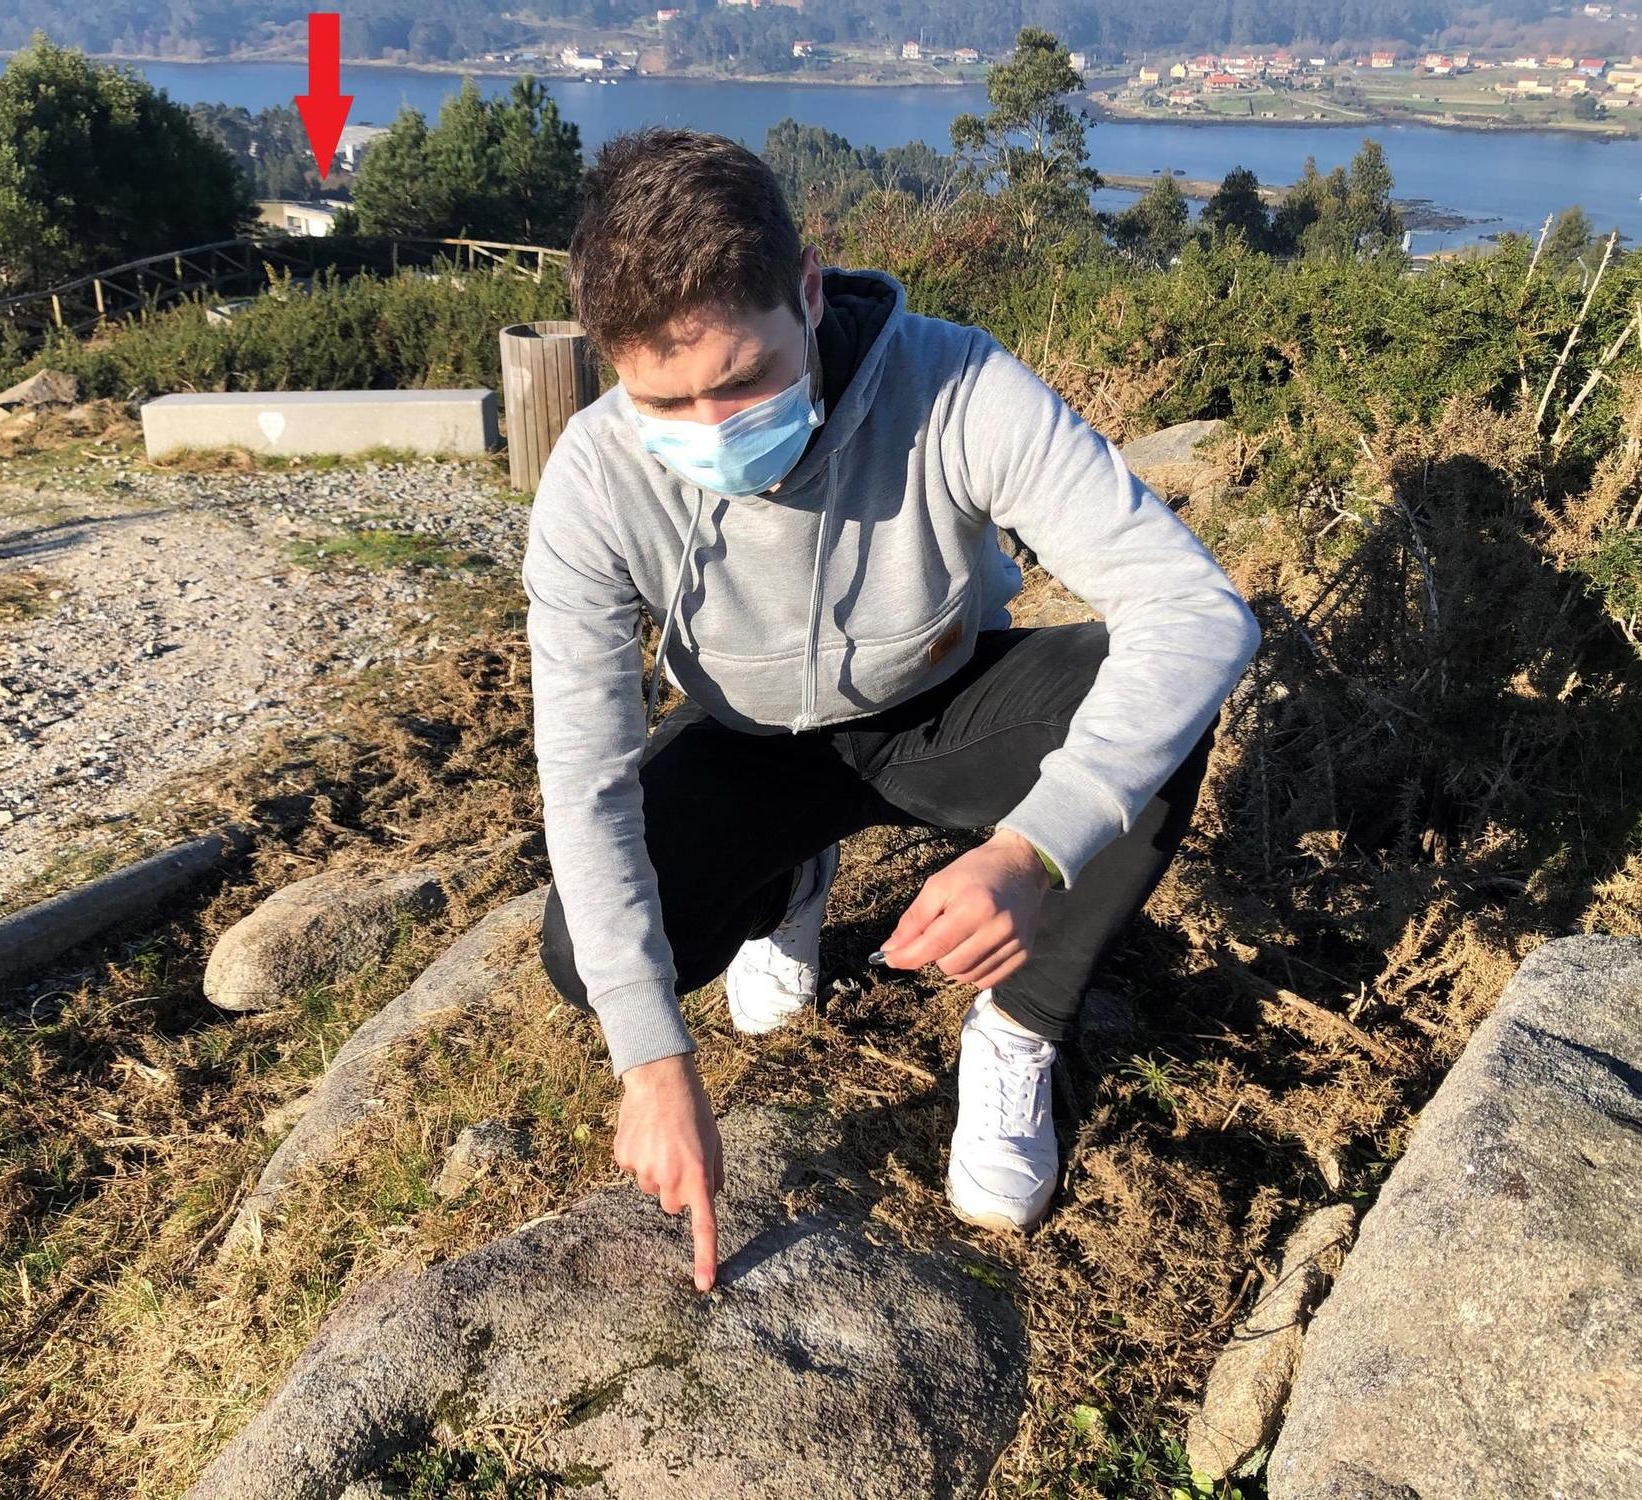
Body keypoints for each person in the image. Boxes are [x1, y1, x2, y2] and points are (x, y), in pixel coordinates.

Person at [521, 127, 1260, 1294]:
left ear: (807, 294)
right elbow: (584, 770)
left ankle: (1017, 1027)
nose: (715, 432)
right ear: (612, 366)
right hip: (752, 739)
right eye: (667, 400)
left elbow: (1195, 611)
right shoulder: (595, 477)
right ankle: (788, 883)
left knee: (1152, 711)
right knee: (585, 955)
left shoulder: (953, 382)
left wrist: (1031, 848)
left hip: (938, 703)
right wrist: (651, 1055)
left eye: (746, 378)